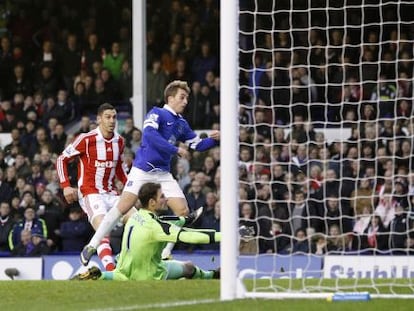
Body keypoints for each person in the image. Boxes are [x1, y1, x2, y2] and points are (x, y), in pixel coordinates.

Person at [80, 80, 220, 266]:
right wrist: (174, 149)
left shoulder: (182, 123)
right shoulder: (157, 113)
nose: (186, 101)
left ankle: (164, 254)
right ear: (170, 98)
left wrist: (216, 140)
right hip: (142, 170)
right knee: (122, 208)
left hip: (163, 174)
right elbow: (150, 136)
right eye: (182, 97)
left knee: (184, 212)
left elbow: (197, 144)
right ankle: (92, 245)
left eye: (187, 98)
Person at [72, 182, 220, 281]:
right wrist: (226, 235)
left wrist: (185, 219)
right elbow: (192, 236)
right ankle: (212, 275)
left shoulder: (134, 216)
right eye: (162, 196)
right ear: (152, 202)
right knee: (188, 267)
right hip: (149, 275)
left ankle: (101, 275)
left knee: (122, 270)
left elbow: (165, 220)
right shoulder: (155, 227)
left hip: (123, 271)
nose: (166, 199)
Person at [56, 103, 128, 271]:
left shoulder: (120, 141)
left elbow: (119, 168)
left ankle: (124, 258)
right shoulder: (86, 139)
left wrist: (130, 188)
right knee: (103, 228)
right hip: (90, 193)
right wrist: (66, 186)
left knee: (137, 222)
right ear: (99, 119)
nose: (112, 121)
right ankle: (110, 269)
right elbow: (61, 159)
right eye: (108, 117)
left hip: (112, 193)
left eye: (114, 117)